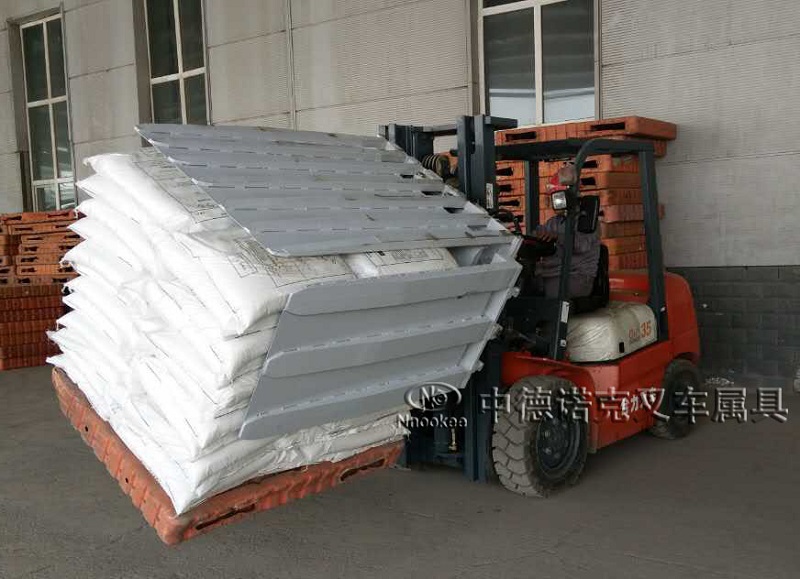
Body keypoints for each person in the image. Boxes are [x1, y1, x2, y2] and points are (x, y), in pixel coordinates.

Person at [532, 205, 600, 299]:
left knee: (550, 293)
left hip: (577, 275)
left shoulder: (587, 222)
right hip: (551, 273)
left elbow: (582, 246)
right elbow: (542, 234)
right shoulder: (553, 222)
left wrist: (558, 237)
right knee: (523, 284)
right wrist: (537, 235)